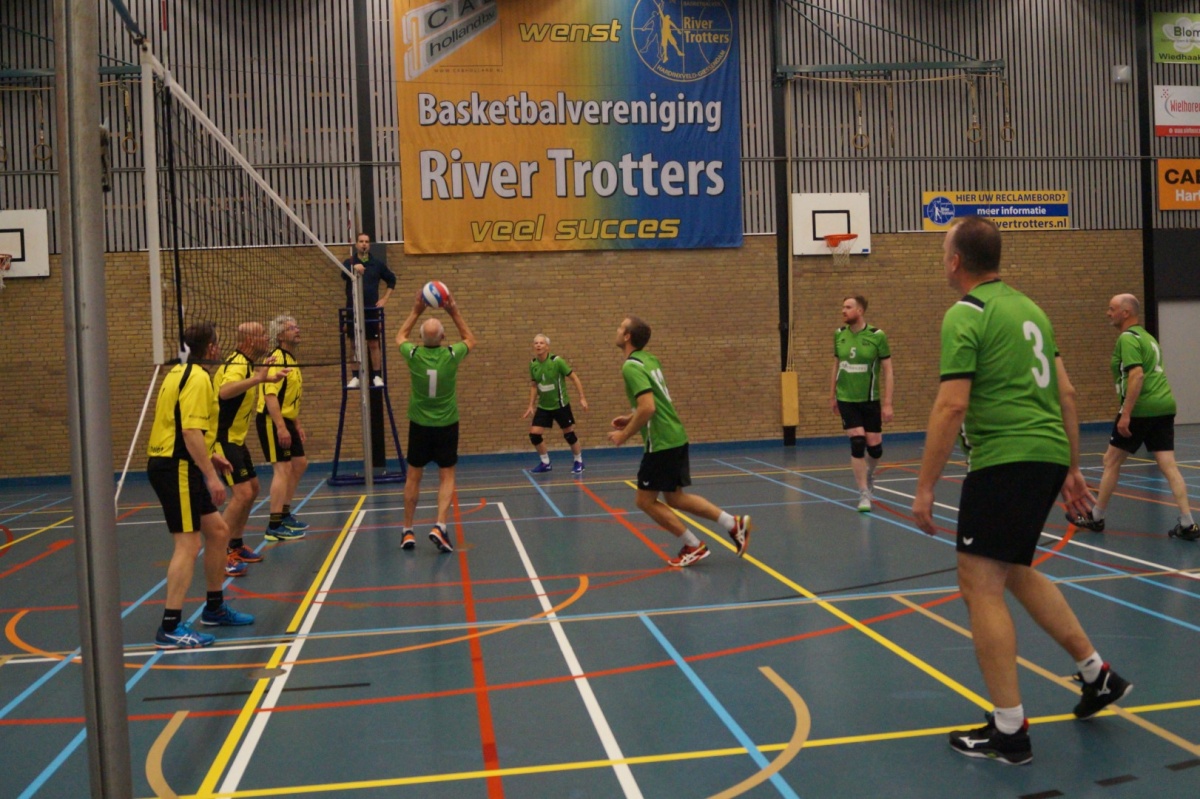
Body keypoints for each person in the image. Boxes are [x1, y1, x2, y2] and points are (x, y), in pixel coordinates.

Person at [912, 216, 1132, 765]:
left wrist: (925, 486)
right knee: (1013, 568)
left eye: (944, 252)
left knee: (978, 584)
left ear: (955, 261)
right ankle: (1096, 674)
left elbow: (951, 406)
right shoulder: (1031, 309)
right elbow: (1067, 393)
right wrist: (1071, 466)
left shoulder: (967, 313)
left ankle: (1010, 731)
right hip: (1046, 452)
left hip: (1004, 459)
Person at [607, 316, 751, 567]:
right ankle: (733, 523)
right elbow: (656, 401)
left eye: (621, 327)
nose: (617, 330)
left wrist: (624, 434)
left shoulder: (630, 366)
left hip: (661, 441)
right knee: (675, 498)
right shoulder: (649, 359)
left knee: (644, 501)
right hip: (675, 436)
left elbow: (648, 407)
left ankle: (694, 546)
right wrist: (630, 417)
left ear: (628, 336)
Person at [147, 322, 254, 648]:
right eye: (217, 343)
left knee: (219, 532)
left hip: (179, 463)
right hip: (176, 466)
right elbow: (189, 431)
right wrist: (211, 475)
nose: (219, 348)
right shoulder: (197, 378)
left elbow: (181, 423)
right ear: (210, 348)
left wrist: (211, 456)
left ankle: (214, 608)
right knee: (188, 545)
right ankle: (169, 627)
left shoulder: (177, 372)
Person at [1066, 294, 1197, 541]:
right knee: (1169, 465)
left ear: (1125, 313)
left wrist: (1126, 413)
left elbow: (1137, 375)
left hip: (1141, 408)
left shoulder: (1127, 338)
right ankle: (1188, 522)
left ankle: (1096, 517)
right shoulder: (1148, 338)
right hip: (1164, 405)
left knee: (1111, 460)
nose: (1108, 313)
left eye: (1111, 308)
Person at [396, 288, 477, 552]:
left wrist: (415, 311)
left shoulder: (413, 355)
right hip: (446, 425)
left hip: (419, 426)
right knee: (446, 475)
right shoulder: (451, 355)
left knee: (413, 477)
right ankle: (440, 525)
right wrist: (453, 311)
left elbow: (400, 336)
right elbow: (470, 338)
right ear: (443, 338)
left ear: (420, 339)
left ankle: (407, 531)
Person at [213, 321, 290, 572]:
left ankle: (235, 545)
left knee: (253, 489)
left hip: (236, 439)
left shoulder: (245, 363)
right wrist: (258, 379)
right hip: (222, 438)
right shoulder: (237, 364)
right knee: (243, 493)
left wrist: (265, 377)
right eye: (262, 335)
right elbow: (225, 391)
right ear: (249, 341)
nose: (267, 339)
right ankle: (219, 553)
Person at [829, 295, 894, 512]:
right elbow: (836, 365)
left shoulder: (877, 336)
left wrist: (887, 403)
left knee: (875, 449)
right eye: (843, 306)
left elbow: (888, 370)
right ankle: (864, 493)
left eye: (848, 307)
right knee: (858, 442)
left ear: (860, 311)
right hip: (846, 398)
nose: (843, 310)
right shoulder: (839, 335)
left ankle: (869, 474)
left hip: (870, 399)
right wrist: (831, 395)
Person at [256, 315, 309, 541]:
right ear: (279, 336)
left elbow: (289, 397)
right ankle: (274, 525)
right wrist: (281, 427)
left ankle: (285, 514)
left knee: (299, 463)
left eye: (296, 326)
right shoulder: (276, 358)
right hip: (271, 419)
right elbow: (270, 396)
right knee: (283, 468)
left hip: (286, 420)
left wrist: (296, 424)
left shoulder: (291, 359)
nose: (297, 330)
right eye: (291, 328)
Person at [523, 333, 589, 474]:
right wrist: (530, 405)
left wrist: (582, 397)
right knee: (534, 434)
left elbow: (574, 378)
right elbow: (534, 385)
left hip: (560, 405)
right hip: (543, 406)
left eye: (541, 343)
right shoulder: (533, 364)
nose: (538, 345)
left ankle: (579, 461)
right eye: (536, 343)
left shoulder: (557, 361)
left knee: (569, 434)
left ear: (547, 346)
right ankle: (545, 463)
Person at [343, 232, 397, 389]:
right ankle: (355, 377)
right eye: (361, 241)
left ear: (369, 245)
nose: (364, 244)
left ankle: (377, 376)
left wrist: (385, 299)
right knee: (354, 344)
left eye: (366, 241)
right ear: (356, 244)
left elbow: (392, 280)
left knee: (373, 343)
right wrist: (353, 268)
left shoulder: (377, 264)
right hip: (353, 310)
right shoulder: (349, 262)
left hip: (371, 310)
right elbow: (343, 274)